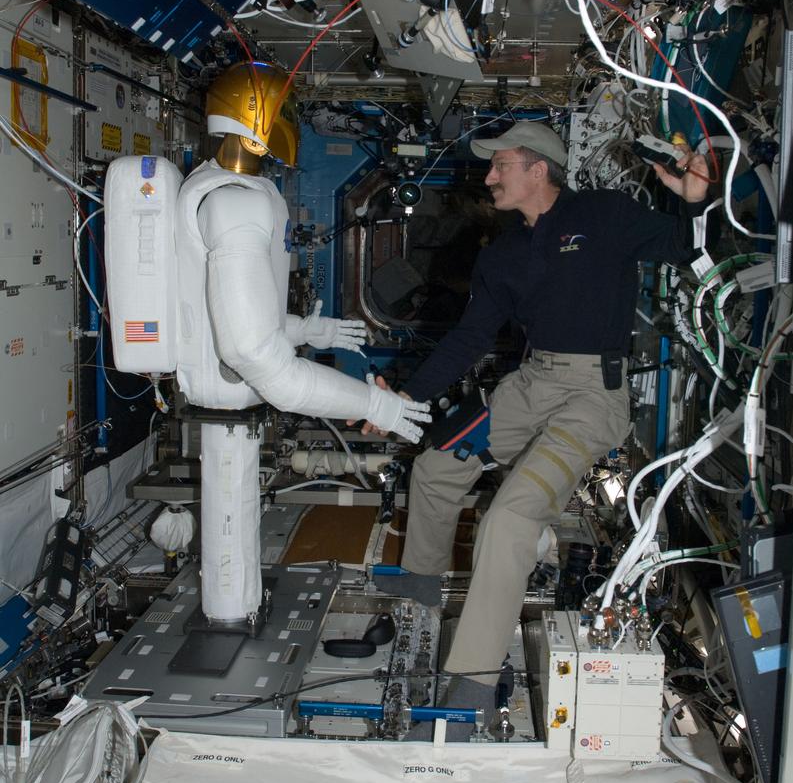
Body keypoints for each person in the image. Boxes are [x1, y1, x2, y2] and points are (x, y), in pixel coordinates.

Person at [375, 119, 710, 725]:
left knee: (507, 518)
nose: (490, 176)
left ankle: (473, 679)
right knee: (433, 468)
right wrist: (402, 398)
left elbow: (681, 245)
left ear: (538, 168)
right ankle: (420, 590)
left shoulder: (604, 215)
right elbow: (469, 339)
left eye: (500, 165)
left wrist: (696, 200)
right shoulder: (501, 254)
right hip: (530, 385)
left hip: (591, 395)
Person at [107, 62, 429, 625]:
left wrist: (312, 330)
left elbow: (228, 312)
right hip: (233, 391)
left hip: (228, 389)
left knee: (238, 525)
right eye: (287, 112)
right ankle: (229, 628)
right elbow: (253, 354)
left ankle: (234, 616)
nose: (293, 123)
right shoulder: (236, 202)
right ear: (259, 119)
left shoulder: (222, 187)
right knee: (231, 551)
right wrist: (373, 403)